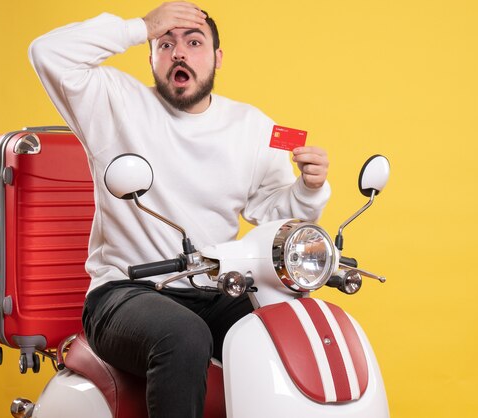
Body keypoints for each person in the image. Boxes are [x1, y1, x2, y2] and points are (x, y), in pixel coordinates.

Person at [29, 2, 330, 417]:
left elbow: (274, 212)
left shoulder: (254, 127)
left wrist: (308, 188)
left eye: (193, 41)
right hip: (124, 293)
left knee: (290, 328)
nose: (179, 53)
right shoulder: (113, 103)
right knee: (183, 335)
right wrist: (141, 25)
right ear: (150, 55)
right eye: (165, 43)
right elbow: (47, 52)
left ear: (217, 57)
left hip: (217, 290)